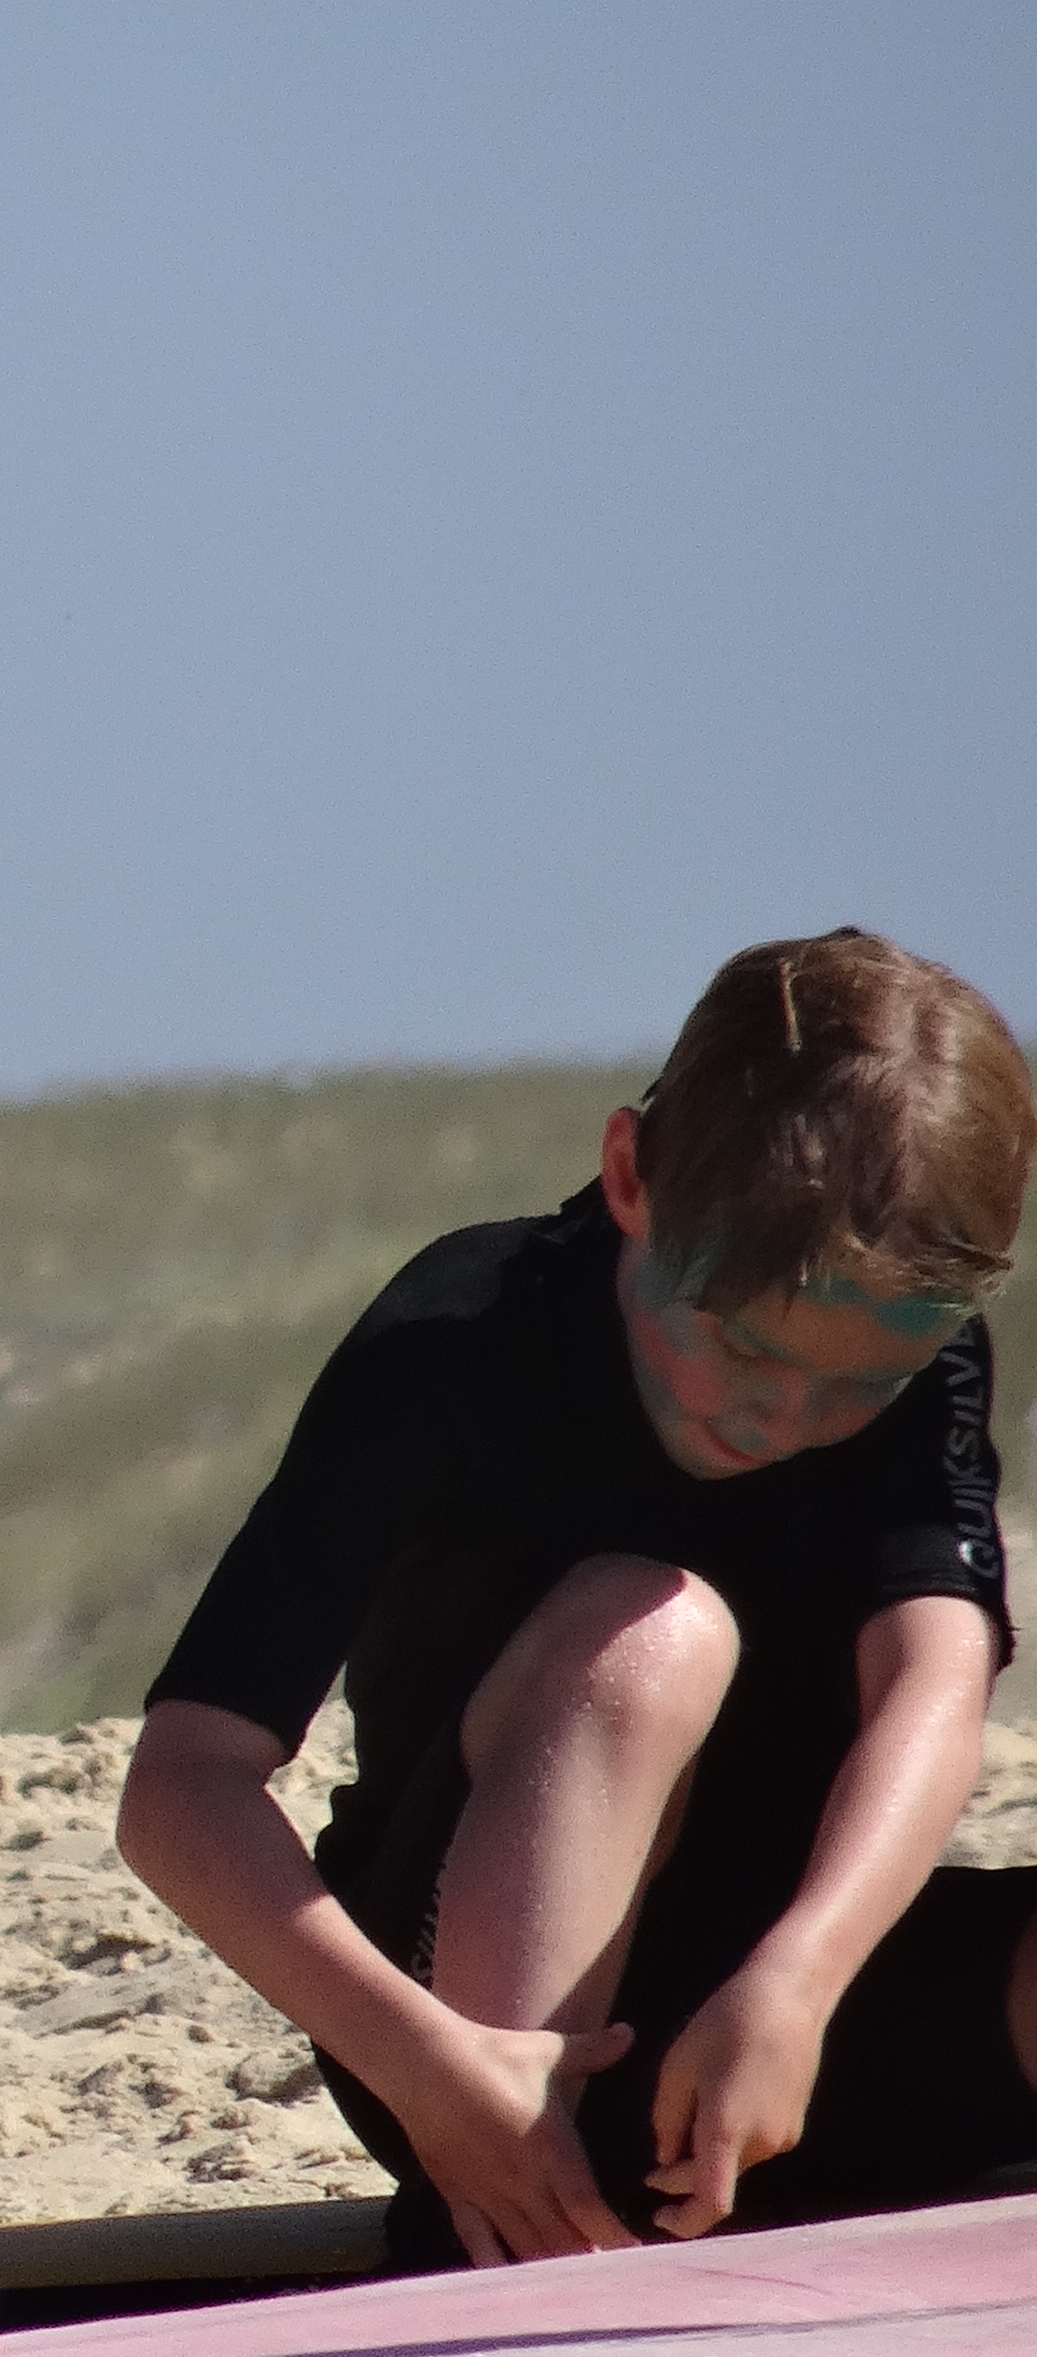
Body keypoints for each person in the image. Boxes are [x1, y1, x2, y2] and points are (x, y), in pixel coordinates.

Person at [121, 928, 1037, 2273]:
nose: (785, 1415)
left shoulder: (920, 1347)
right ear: (629, 1178)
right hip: (464, 2053)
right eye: (737, 1347)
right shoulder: (459, 1345)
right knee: (650, 1628)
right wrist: (426, 2063)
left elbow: (934, 1685)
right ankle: (513, 2250)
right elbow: (182, 1785)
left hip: (770, 2044)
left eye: (855, 1388)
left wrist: (799, 1979)